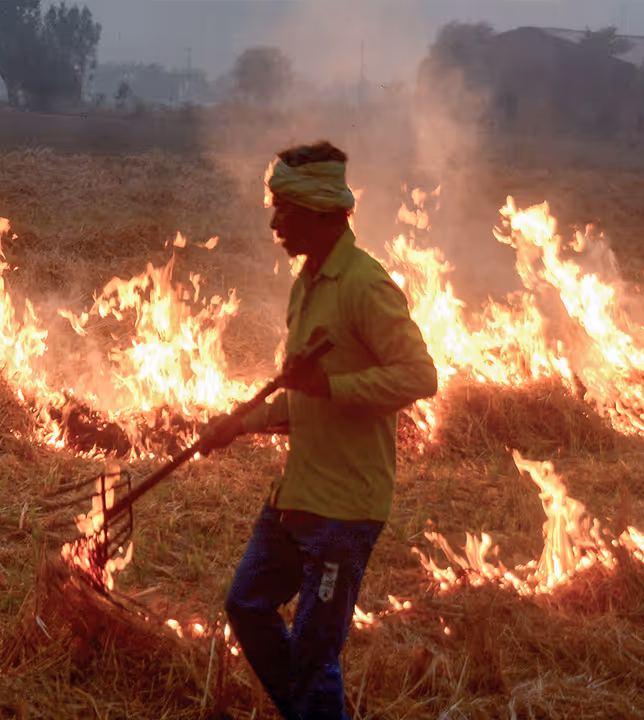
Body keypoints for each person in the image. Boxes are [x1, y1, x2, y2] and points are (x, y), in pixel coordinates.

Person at [200, 140, 438, 719]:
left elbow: (420, 376)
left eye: (284, 207)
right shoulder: (305, 287)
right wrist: (236, 425)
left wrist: (333, 387)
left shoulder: (365, 285)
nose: (275, 221)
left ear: (319, 210)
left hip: (345, 510)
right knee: (248, 605)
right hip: (298, 497)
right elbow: (298, 399)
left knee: (312, 653)